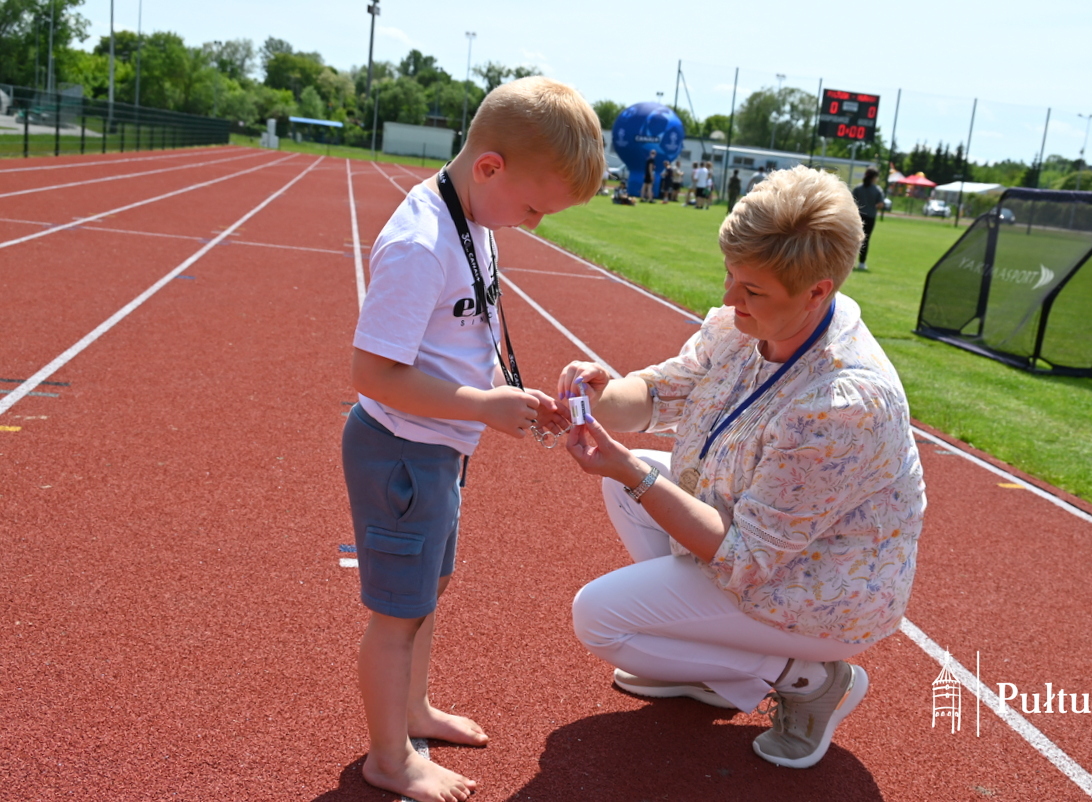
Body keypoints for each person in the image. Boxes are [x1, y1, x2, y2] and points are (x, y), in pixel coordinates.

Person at [559, 164, 925, 770]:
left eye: (752, 290)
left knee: (599, 618)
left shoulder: (841, 405)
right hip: (761, 553)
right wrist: (600, 395)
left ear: (817, 290)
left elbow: (746, 556)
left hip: (821, 593)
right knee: (639, 482)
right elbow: (658, 393)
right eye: (731, 274)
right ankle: (714, 660)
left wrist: (628, 471)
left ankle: (807, 678)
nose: (730, 297)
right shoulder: (745, 326)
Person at [343, 76, 602, 802]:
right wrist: (483, 404)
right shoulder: (424, 242)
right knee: (397, 612)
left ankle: (413, 713)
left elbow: (461, 334)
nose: (537, 224)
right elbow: (372, 373)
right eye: (534, 208)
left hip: (439, 446)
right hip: (401, 448)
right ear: (489, 167)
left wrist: (504, 397)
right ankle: (388, 759)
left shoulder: (476, 222)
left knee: (429, 591)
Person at [851, 167, 885, 271]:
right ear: (874, 178)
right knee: (865, 240)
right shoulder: (877, 190)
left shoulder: (858, 188)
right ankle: (862, 262)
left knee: (854, 239)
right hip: (870, 217)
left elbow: (851, 201)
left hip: (858, 216)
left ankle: (850, 261)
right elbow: (880, 204)